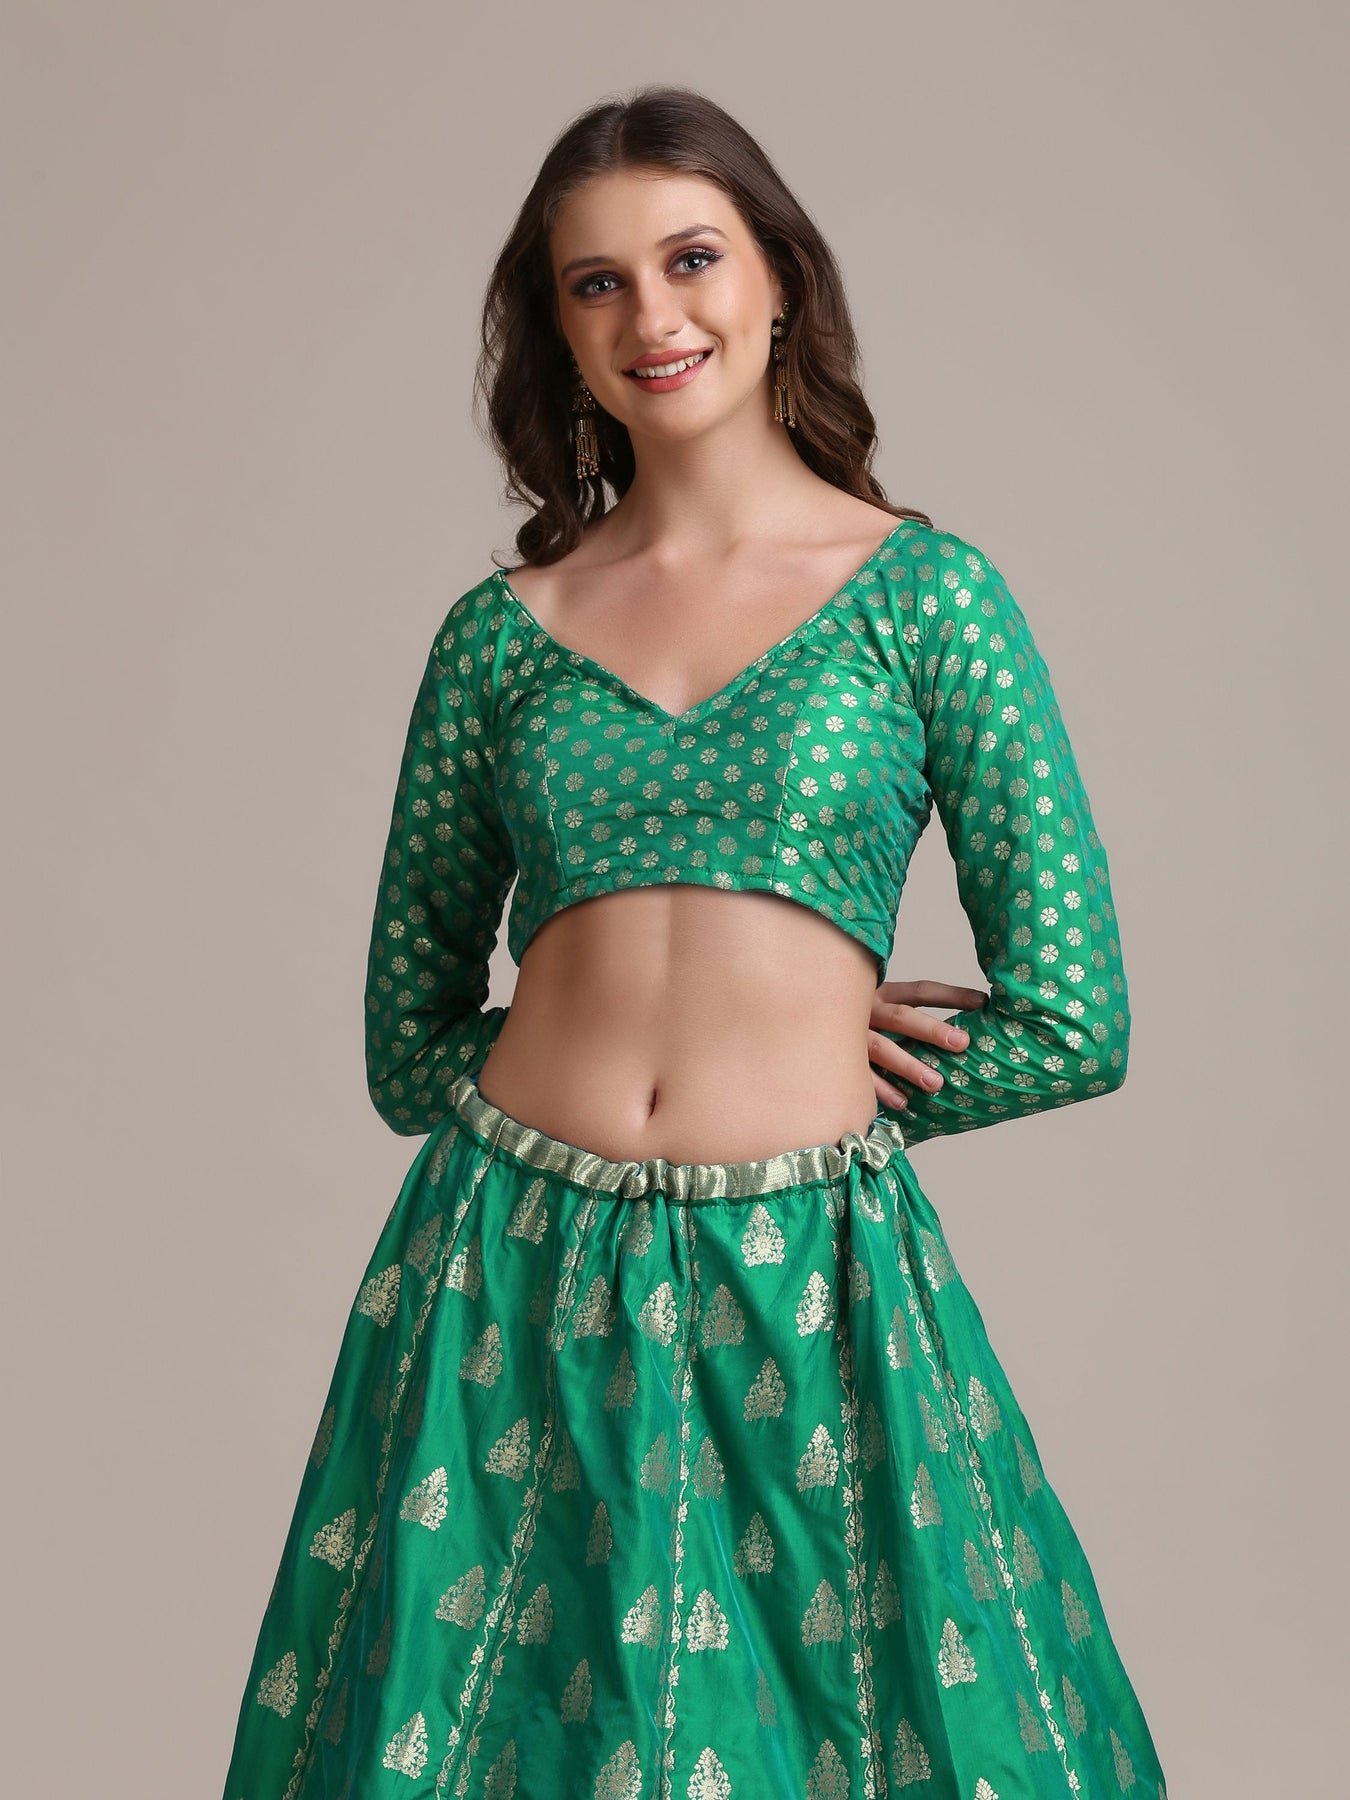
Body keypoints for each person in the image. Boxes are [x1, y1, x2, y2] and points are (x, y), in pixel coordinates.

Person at [221, 85, 1167, 1800]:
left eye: (690, 259)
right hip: (505, 1274)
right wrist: (562, 1087)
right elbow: (408, 1046)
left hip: (807, 1272)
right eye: (595, 283)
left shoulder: (925, 597)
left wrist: (822, 1073)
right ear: (557, 330)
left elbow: (1074, 1016)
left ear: (778, 279)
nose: (650, 315)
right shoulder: (498, 636)